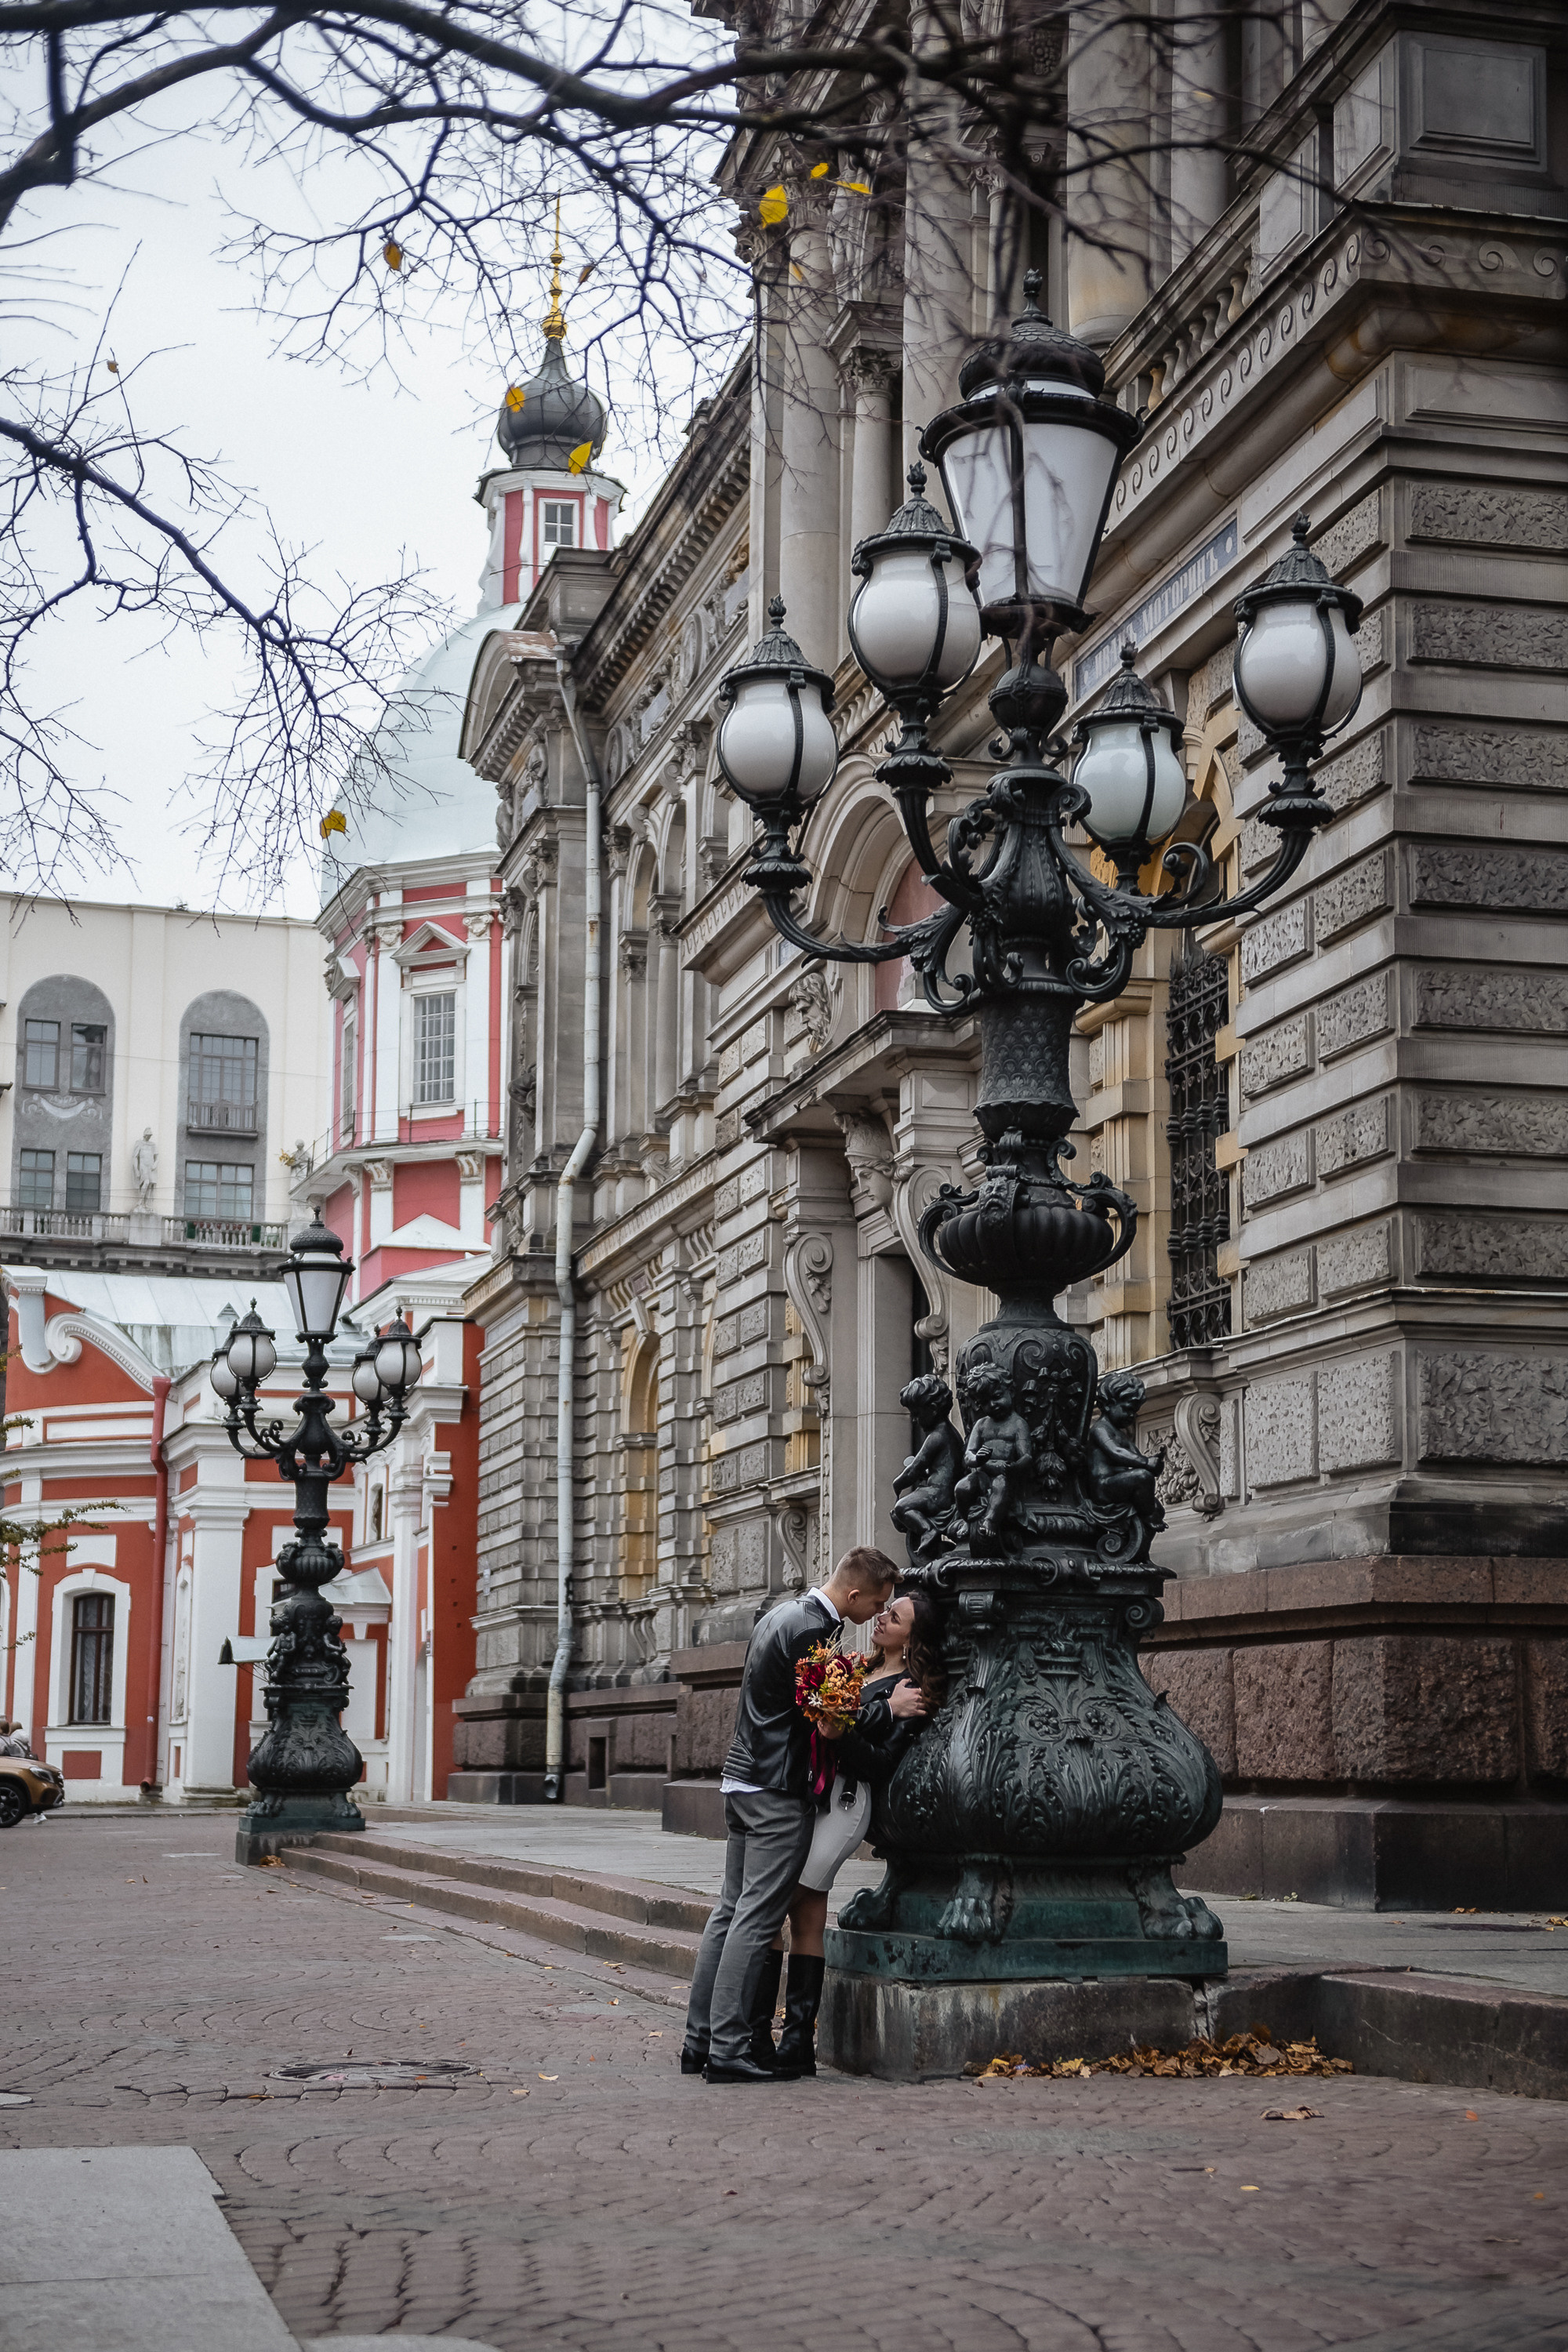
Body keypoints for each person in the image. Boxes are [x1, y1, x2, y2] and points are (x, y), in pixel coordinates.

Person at [681, 1544, 898, 2085]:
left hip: (742, 1777)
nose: (877, 1613)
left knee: (730, 1911)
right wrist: (883, 1710)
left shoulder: (780, 1613)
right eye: (877, 1602)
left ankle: (699, 2041)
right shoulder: (813, 1633)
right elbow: (827, 1724)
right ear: (853, 1594)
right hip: (777, 1787)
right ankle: (728, 2050)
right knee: (755, 1916)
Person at [758, 1588, 946, 2076]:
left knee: (783, 1901)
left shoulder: (913, 1689)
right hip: (811, 1795)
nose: (882, 1618)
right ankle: (792, 2045)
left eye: (896, 1617)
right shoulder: (858, 1670)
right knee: (807, 1913)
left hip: (845, 1804)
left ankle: (770, 2033)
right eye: (885, 1611)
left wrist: (842, 1733)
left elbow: (882, 1763)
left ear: (912, 1638)